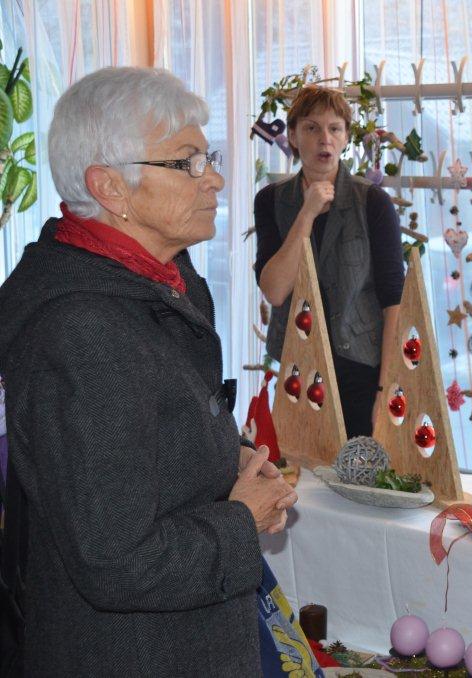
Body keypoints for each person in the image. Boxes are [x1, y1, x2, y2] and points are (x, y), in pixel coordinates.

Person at [0, 67, 297, 676]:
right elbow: (116, 561)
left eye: (208, 157)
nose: (214, 178)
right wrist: (241, 521)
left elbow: (149, 437)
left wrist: (229, 456)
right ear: (110, 187)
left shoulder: (164, 279)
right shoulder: (81, 331)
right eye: (187, 162)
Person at [254, 86, 404, 437]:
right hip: (298, 368)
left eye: (335, 128)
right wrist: (306, 213)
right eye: (312, 128)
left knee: (359, 467)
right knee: (298, 464)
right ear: (293, 136)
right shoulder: (271, 201)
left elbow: (394, 301)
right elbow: (275, 291)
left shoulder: (373, 202)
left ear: (346, 136)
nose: (325, 139)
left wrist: (385, 389)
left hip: (361, 370)